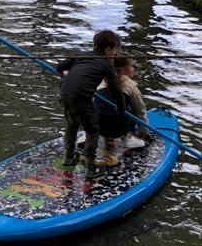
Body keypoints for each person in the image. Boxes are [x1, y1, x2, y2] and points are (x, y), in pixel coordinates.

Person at [56, 30, 124, 180]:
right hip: (81, 99)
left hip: (65, 94)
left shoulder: (81, 54)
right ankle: (90, 167)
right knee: (92, 130)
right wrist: (121, 108)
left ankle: (68, 157)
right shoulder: (107, 64)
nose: (115, 53)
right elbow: (116, 89)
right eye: (115, 50)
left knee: (72, 123)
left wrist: (68, 77)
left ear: (94, 44)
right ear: (108, 50)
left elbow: (59, 67)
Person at [95, 56, 151, 154]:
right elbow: (140, 112)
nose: (134, 68)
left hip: (97, 126)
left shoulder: (98, 80)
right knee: (133, 109)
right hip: (119, 130)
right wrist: (144, 132)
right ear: (123, 70)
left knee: (97, 104)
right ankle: (127, 138)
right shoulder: (131, 86)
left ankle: (100, 137)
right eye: (132, 66)